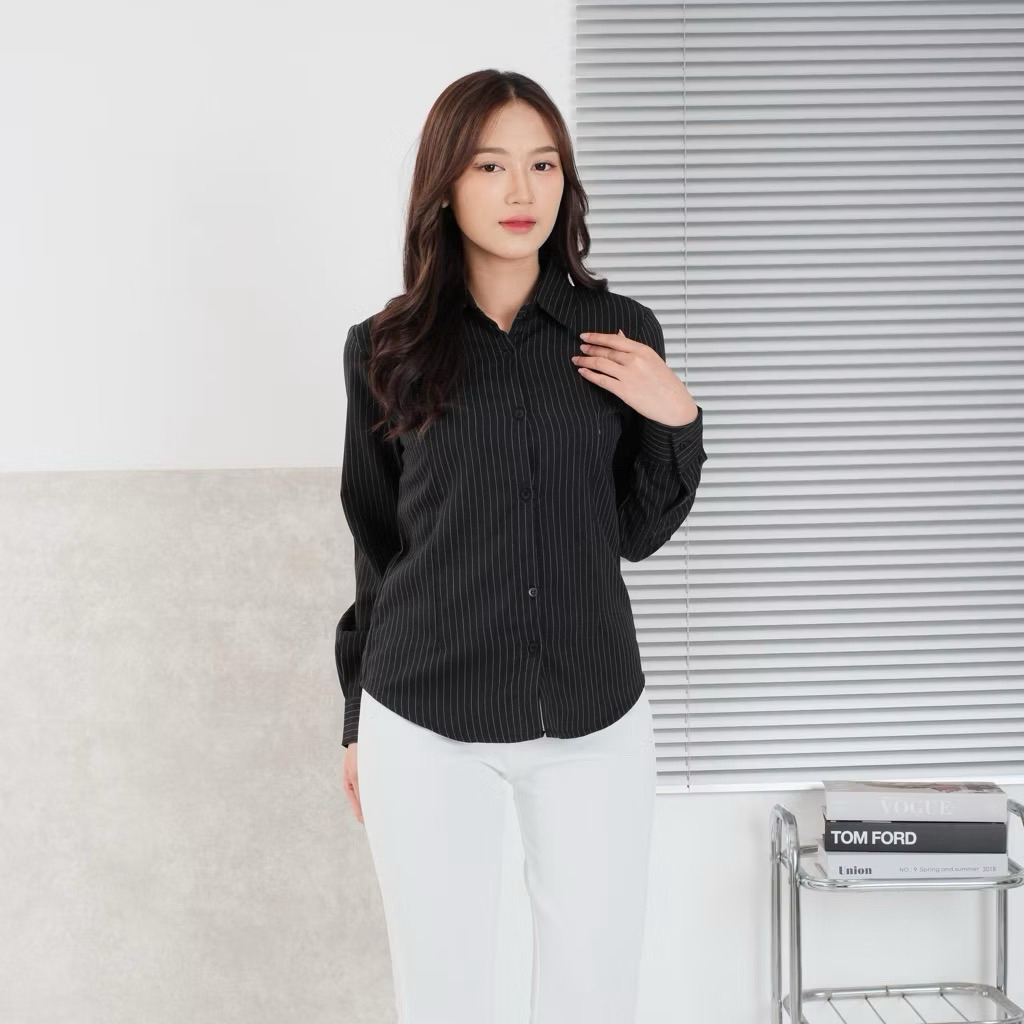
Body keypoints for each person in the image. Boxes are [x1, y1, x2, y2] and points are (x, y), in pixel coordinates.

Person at [334, 69, 707, 1024]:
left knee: (595, 992)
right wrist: (356, 718)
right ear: (445, 185)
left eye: (543, 165)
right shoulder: (384, 347)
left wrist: (676, 420)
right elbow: (378, 542)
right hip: (424, 716)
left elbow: (635, 533)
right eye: (490, 165)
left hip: (594, 710)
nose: (520, 190)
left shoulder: (622, 334)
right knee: (444, 996)